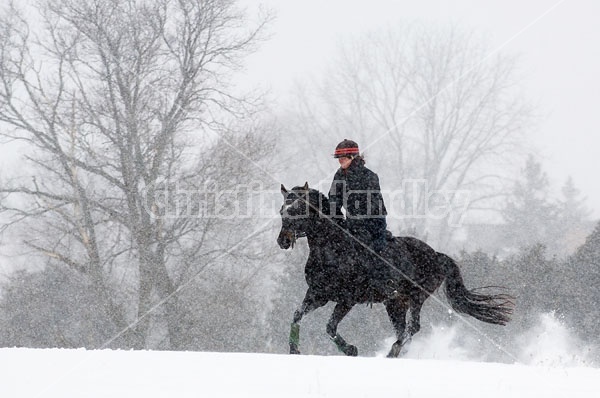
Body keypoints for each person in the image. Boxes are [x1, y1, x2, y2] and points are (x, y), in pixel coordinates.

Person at [328, 139, 396, 299]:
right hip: (352, 221)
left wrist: (356, 222)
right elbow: (333, 198)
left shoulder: (369, 176)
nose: (340, 161)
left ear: (353, 156)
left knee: (375, 248)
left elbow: (369, 204)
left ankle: (388, 283)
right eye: (339, 158)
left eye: (343, 157)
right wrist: (331, 215)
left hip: (373, 221)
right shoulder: (339, 175)